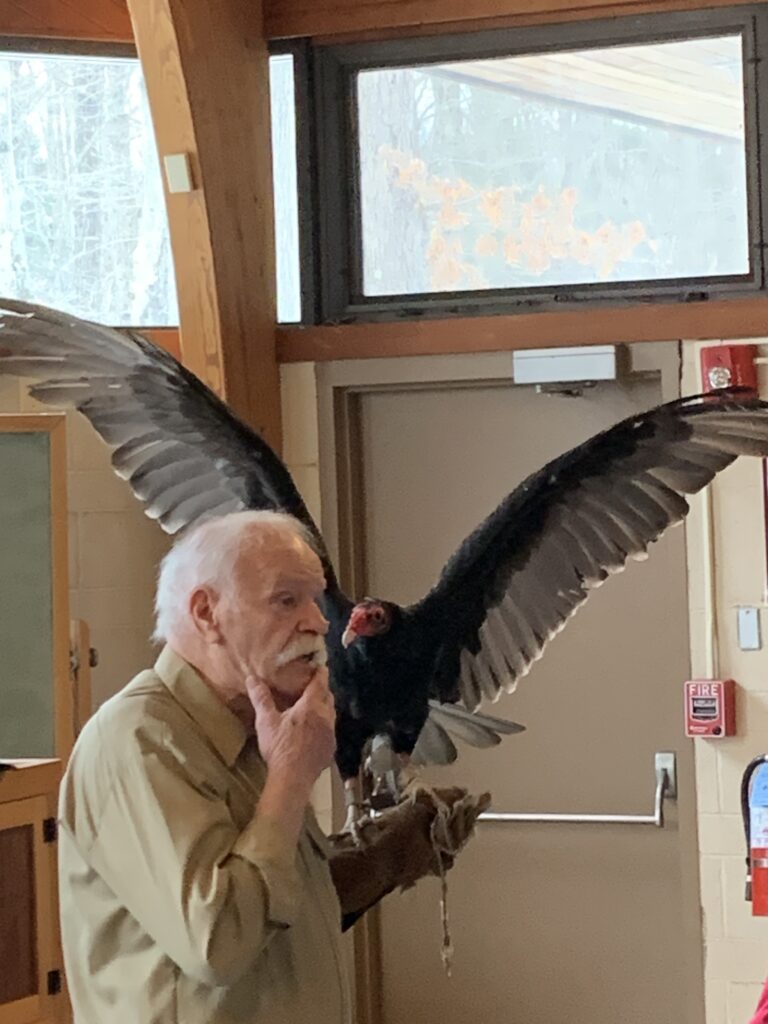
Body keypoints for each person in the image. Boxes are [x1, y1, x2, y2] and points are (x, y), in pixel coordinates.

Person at [57, 509, 487, 1024]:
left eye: (314, 598)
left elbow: (276, 910)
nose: (318, 622)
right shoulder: (140, 740)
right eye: (286, 600)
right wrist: (289, 778)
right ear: (206, 613)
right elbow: (218, 941)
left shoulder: (255, 730)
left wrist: (386, 857)